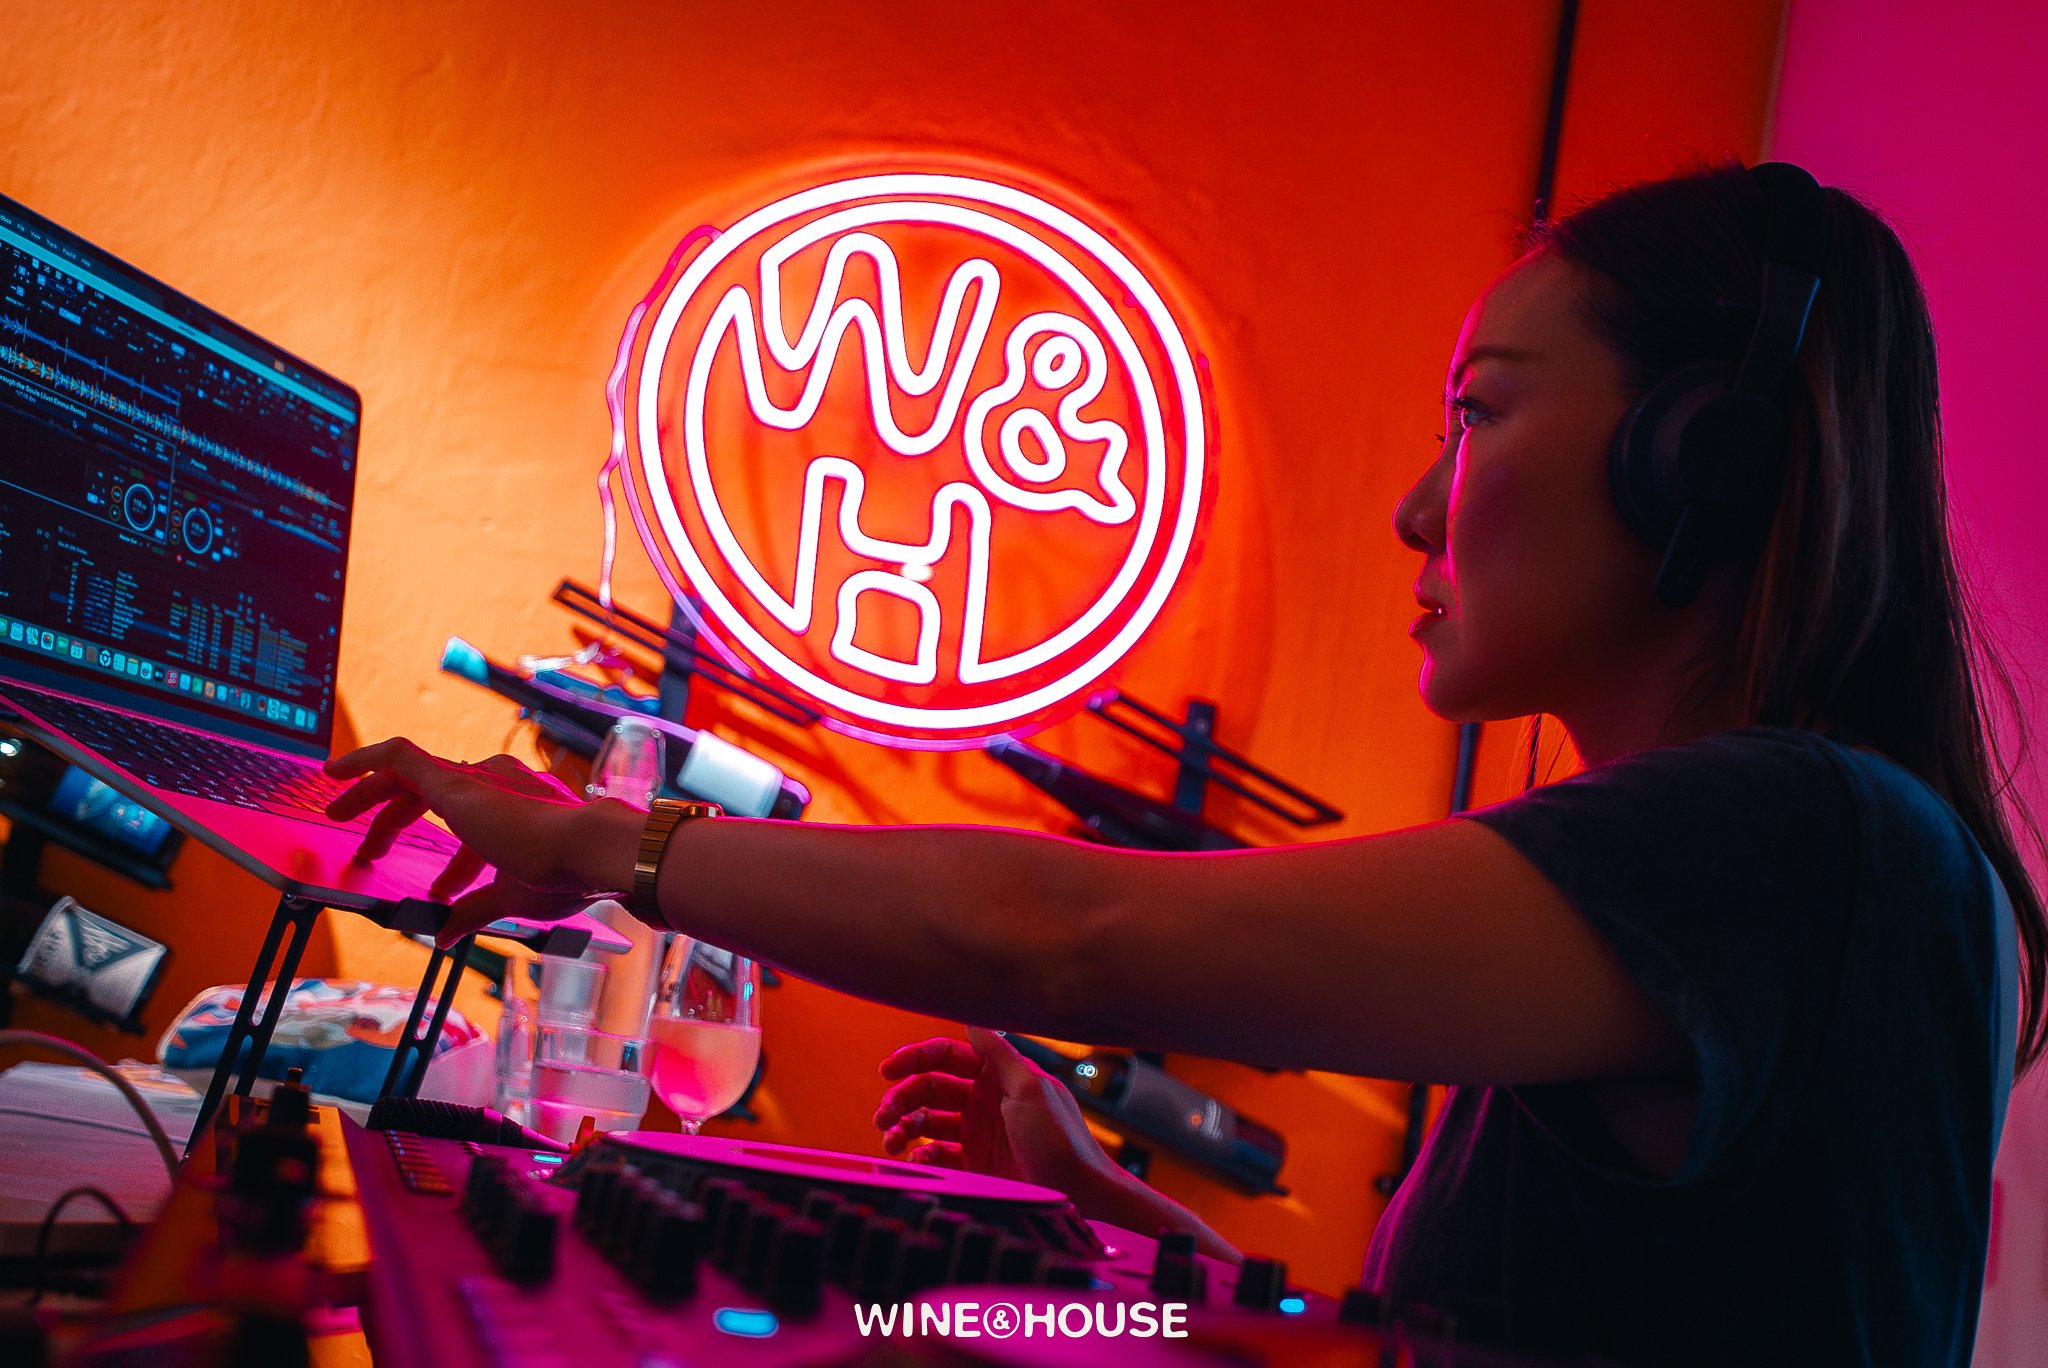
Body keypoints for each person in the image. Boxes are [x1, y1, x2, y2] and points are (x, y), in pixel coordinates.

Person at [324, 158, 2043, 1365]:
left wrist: (606, 845)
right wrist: (1101, 1208)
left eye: (1479, 414)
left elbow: (1063, 936)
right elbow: (1426, 1347)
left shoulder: (1794, 833)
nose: (1418, 509)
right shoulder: (1805, 851)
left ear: (1700, 462)